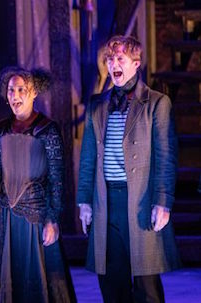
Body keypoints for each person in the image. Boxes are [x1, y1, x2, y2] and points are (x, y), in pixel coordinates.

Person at [77, 35, 181, 303]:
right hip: (106, 203)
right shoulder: (97, 105)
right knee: (111, 279)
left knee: (146, 284)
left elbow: (166, 156)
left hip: (140, 201)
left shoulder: (157, 103)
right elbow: (88, 157)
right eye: (110, 59)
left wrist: (163, 202)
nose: (113, 65)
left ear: (136, 64)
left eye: (119, 59)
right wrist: (84, 202)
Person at [0, 66, 76, 303]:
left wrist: (52, 219)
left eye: (21, 89)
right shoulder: (0, 129)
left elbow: (56, 179)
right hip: (7, 217)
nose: (15, 95)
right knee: (10, 279)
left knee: (41, 280)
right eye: (11, 90)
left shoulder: (47, 129)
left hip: (36, 216)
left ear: (34, 92)